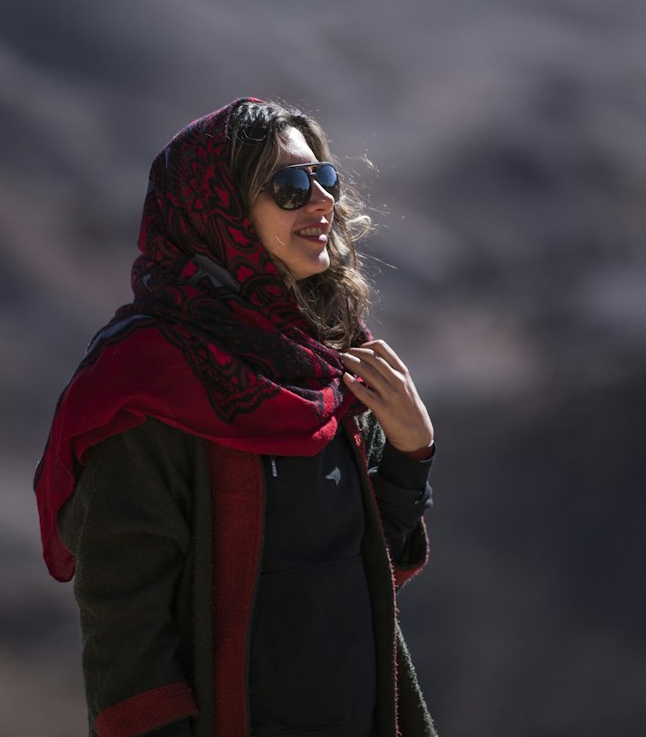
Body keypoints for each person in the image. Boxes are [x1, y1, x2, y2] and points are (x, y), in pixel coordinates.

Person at [34, 97, 438, 737]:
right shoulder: (146, 384)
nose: (320, 202)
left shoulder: (325, 362)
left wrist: (411, 455)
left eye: (324, 178)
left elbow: (358, 574)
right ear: (217, 212)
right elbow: (126, 642)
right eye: (288, 186)